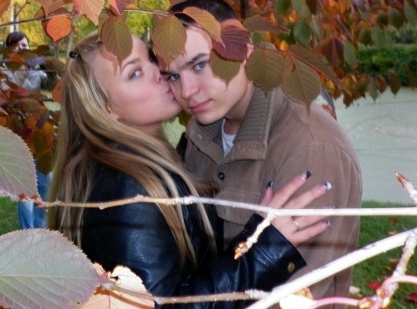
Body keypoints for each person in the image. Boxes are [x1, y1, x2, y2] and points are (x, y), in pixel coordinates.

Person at [48, 32, 332, 307]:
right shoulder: (127, 191)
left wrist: (253, 238)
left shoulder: (134, 166)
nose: (160, 72)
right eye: (134, 73)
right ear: (105, 108)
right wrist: (265, 252)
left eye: (151, 58)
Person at [163, 0, 362, 302]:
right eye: (173, 76)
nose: (186, 91)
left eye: (200, 65)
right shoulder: (200, 135)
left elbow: (296, 300)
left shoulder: (310, 148)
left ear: (244, 50)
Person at [3, 31, 51, 229]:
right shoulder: (4, 72)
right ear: (9, 50)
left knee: (46, 183)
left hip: (39, 131)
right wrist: (26, 70)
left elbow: (52, 84)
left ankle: (41, 229)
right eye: (16, 46)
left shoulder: (36, 69)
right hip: (18, 133)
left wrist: (51, 66)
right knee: (25, 187)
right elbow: (16, 94)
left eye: (24, 45)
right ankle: (27, 231)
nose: (21, 49)